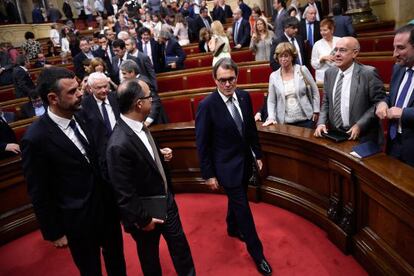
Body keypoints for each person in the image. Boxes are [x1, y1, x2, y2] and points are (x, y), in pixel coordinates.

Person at [21, 67, 127, 276]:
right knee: (90, 270)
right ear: (53, 98)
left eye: (79, 88)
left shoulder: (84, 116)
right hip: (77, 219)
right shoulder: (35, 138)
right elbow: (38, 190)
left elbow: (100, 159)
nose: (80, 94)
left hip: (106, 209)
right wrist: (54, 231)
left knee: (117, 262)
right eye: (72, 92)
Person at [106, 79, 196, 276]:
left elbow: (144, 160)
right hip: (146, 216)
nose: (153, 101)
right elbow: (124, 192)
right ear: (139, 104)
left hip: (166, 202)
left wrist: (160, 157)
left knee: (180, 249)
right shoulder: (118, 144)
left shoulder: (139, 124)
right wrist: (144, 220)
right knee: (150, 260)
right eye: (149, 97)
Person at [195, 58, 272, 276]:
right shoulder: (207, 106)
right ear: (215, 80)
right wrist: (208, 174)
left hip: (246, 163)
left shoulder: (245, 96)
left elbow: (250, 131)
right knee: (244, 210)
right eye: (222, 80)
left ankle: (231, 226)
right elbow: (202, 144)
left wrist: (257, 153)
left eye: (231, 79)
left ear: (236, 77)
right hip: (225, 167)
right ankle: (258, 255)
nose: (227, 84)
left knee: (237, 203)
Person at [314, 37, 386, 143]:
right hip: (336, 135)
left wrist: (360, 125)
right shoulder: (330, 73)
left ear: (355, 53)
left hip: (363, 136)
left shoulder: (368, 73)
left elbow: (378, 104)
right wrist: (321, 123)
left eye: (342, 50)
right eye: (336, 50)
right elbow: (326, 102)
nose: (337, 54)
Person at [375, 24, 414, 167]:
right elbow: (391, 97)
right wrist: (383, 103)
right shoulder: (398, 68)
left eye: (401, 48)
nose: (394, 54)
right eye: (394, 48)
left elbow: (401, 111)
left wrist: (403, 113)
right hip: (394, 144)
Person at [263, 42, 319, 128]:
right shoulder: (274, 76)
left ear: (292, 57)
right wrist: (271, 117)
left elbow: (315, 91)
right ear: (277, 58)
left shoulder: (302, 69)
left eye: (286, 56)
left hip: (306, 119)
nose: (283, 59)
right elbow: (271, 100)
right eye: (280, 56)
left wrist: (316, 110)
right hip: (285, 122)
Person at [120, 60, 168, 126]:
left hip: (155, 122)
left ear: (132, 72)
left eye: (124, 73)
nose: (123, 76)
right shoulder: (134, 82)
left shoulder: (143, 82)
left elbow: (155, 101)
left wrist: (148, 121)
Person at [311, 18, 340, 84]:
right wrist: (322, 59)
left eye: (325, 30)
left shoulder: (340, 41)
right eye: (321, 30)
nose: (322, 33)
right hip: (323, 78)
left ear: (332, 30)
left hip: (339, 76)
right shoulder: (317, 44)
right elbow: (313, 64)